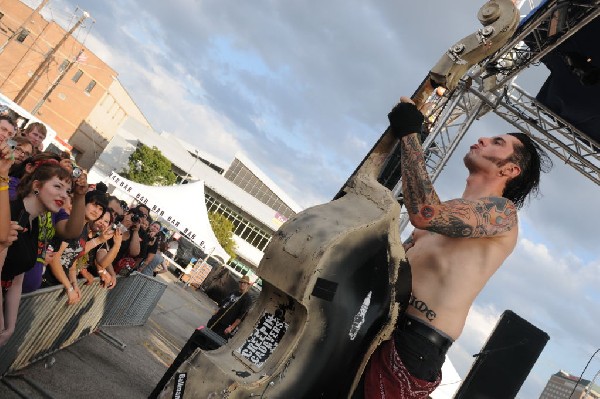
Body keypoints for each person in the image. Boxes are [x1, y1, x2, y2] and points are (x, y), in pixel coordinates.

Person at [362, 98, 552, 398]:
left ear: (511, 169)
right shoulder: (449, 209)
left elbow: (423, 211)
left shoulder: (502, 214)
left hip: (416, 343)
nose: (482, 139)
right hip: (379, 320)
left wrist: (411, 135)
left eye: (496, 142)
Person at [207, 275, 253, 340]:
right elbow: (224, 303)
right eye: (241, 282)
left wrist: (231, 327)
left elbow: (241, 316)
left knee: (214, 340)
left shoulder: (247, 299)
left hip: (225, 325)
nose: (242, 284)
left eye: (244, 283)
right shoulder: (234, 292)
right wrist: (217, 311)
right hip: (217, 318)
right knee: (206, 334)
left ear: (248, 285)